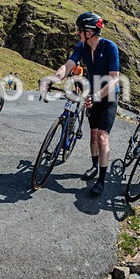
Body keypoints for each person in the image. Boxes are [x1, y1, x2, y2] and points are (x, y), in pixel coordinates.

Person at [49, 12, 120, 197]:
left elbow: (114, 80)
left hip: (108, 96)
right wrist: (53, 79)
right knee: (94, 135)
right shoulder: (82, 46)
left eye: (80, 30)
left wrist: (97, 96)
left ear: (90, 32)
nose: (78, 33)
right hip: (93, 94)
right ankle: (94, 166)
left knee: (102, 138)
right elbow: (68, 66)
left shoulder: (110, 47)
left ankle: (101, 180)